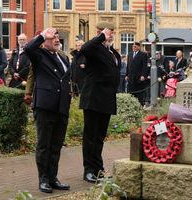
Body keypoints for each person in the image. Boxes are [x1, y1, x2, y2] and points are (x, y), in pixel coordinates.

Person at [24, 28, 71, 193]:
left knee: (56, 146)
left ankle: (53, 178)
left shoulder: (64, 58)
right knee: (44, 145)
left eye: (57, 37)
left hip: (61, 107)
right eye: (52, 38)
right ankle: (43, 179)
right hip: (45, 107)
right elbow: (28, 48)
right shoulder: (39, 55)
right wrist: (43, 35)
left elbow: (65, 80)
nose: (56, 40)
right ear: (44, 42)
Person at [80, 21, 121, 183]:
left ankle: (98, 168)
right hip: (93, 99)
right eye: (108, 32)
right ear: (99, 32)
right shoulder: (94, 48)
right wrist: (100, 37)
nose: (111, 34)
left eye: (112, 32)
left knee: (99, 137)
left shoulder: (112, 52)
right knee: (90, 136)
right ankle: (88, 170)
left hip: (106, 100)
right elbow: (84, 49)